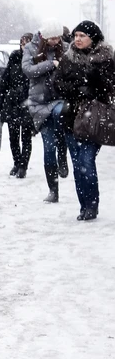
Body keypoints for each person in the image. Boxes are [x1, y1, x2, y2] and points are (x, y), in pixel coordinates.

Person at [51, 20, 115, 220]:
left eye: (82, 36)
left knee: (86, 161)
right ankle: (84, 207)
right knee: (78, 164)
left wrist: (92, 82)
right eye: (76, 35)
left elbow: (109, 87)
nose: (77, 39)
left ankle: (92, 205)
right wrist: (76, 89)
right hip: (71, 117)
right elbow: (57, 84)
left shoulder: (106, 59)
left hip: (93, 119)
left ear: (93, 38)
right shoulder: (68, 59)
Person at [21, 22, 68, 202]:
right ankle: (53, 190)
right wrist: (51, 64)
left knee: (60, 114)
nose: (56, 41)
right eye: (52, 38)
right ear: (44, 37)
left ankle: (63, 153)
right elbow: (28, 70)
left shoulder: (65, 47)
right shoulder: (31, 48)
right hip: (39, 102)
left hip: (59, 97)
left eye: (58, 37)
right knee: (48, 149)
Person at [0, 33, 35, 178]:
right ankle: (16, 163)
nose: (25, 47)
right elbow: (5, 81)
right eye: (23, 44)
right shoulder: (14, 57)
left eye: (28, 44)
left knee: (26, 137)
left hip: (28, 103)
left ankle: (23, 166)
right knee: (13, 136)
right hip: (12, 103)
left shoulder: (35, 60)